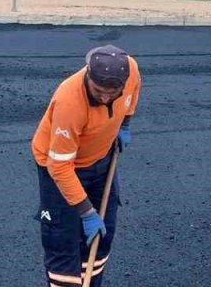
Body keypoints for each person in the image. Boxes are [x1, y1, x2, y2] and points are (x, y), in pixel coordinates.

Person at [33, 45, 142, 287]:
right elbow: (59, 167)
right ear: (88, 76)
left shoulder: (131, 70)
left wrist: (124, 123)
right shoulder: (69, 101)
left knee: (101, 239)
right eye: (99, 91)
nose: (104, 98)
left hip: (101, 159)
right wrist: (87, 212)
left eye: (112, 93)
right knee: (62, 240)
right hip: (60, 168)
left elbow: (134, 90)